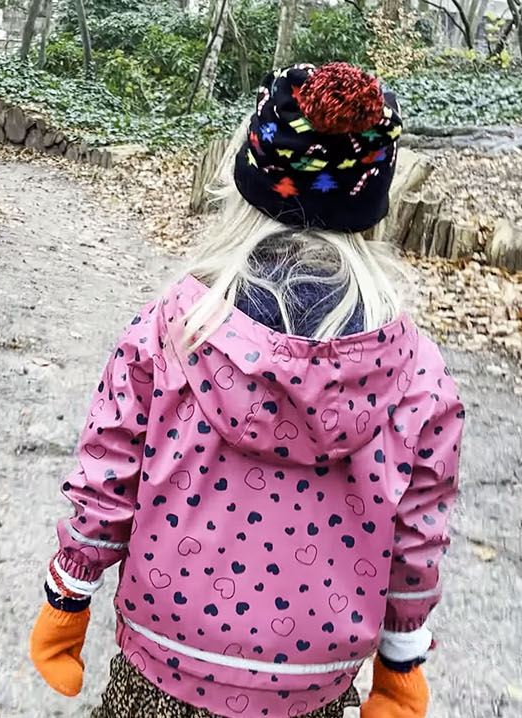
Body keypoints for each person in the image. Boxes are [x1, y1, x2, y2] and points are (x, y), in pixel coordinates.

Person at [27, 63, 463, 718]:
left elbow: (107, 477)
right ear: (374, 202)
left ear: (249, 181)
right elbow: (416, 537)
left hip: (164, 653)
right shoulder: (416, 375)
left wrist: (69, 597)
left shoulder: (170, 330)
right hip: (315, 676)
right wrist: (401, 665)